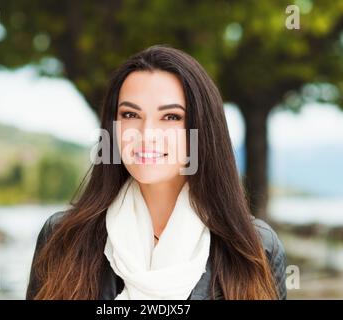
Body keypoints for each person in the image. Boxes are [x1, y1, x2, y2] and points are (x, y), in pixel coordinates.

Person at [26, 45, 287, 300]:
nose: (146, 134)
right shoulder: (63, 237)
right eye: (130, 114)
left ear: (202, 130)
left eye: (171, 117)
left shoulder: (256, 246)